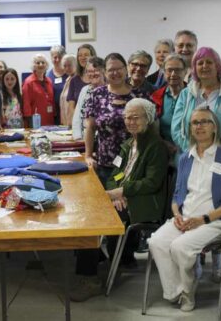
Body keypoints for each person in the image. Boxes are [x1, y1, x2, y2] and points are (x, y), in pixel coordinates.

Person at [70, 98, 169, 302]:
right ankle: (98, 261)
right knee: (85, 211)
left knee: (92, 219)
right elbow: (115, 173)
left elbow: (151, 183)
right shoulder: (128, 144)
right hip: (124, 198)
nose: (130, 121)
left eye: (135, 117)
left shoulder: (156, 147)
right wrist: (115, 191)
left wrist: (122, 192)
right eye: (126, 117)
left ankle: (90, 278)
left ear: (149, 118)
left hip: (145, 203)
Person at [147, 108, 221, 312]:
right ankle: (177, 291)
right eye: (195, 123)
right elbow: (177, 194)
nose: (199, 126)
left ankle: (188, 294)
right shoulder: (185, 158)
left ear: (214, 127)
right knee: (157, 242)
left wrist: (202, 219)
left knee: (180, 247)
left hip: (215, 222)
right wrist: (177, 214)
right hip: (185, 218)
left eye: (205, 122)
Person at [84, 53, 149, 184]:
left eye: (119, 68)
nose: (115, 73)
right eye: (111, 70)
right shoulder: (96, 94)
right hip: (105, 164)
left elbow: (151, 127)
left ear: (126, 69)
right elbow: (90, 128)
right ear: (104, 72)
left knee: (126, 201)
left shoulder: (140, 95)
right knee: (106, 200)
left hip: (134, 163)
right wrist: (88, 156)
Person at [171, 47, 221, 153]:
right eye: (200, 63)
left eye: (209, 62)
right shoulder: (186, 94)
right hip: (190, 154)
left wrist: (218, 153)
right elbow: (176, 128)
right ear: (194, 68)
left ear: (217, 66)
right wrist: (192, 150)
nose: (205, 66)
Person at [152, 54, 187, 158]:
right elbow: (150, 127)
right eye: (169, 70)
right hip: (162, 150)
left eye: (178, 70)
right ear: (163, 72)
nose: (173, 74)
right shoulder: (156, 96)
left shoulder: (194, 96)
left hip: (188, 150)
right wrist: (163, 143)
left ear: (185, 71)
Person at [72, 56, 105, 140]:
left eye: (96, 71)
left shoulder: (109, 90)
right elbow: (77, 116)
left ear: (103, 71)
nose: (92, 74)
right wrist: (77, 137)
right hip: (84, 139)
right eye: (89, 71)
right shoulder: (84, 90)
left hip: (102, 140)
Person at [66, 44, 97, 125]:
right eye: (80, 55)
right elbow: (71, 107)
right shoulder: (74, 80)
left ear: (93, 57)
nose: (83, 58)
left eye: (86, 55)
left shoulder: (99, 78)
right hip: (79, 125)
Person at [22, 54, 55, 127]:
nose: (41, 65)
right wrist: (30, 122)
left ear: (46, 65)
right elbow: (26, 103)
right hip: (36, 120)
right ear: (34, 66)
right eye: (38, 63)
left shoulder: (49, 81)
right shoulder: (28, 82)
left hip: (49, 118)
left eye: (43, 62)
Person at [47, 45, 68, 125]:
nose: (58, 60)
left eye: (60, 57)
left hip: (67, 113)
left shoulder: (70, 74)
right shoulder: (48, 76)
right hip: (53, 114)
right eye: (55, 57)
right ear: (51, 58)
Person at [59, 54, 77, 125]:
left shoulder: (77, 80)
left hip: (73, 122)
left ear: (76, 65)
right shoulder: (68, 79)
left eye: (69, 65)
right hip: (65, 122)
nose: (66, 68)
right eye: (65, 66)